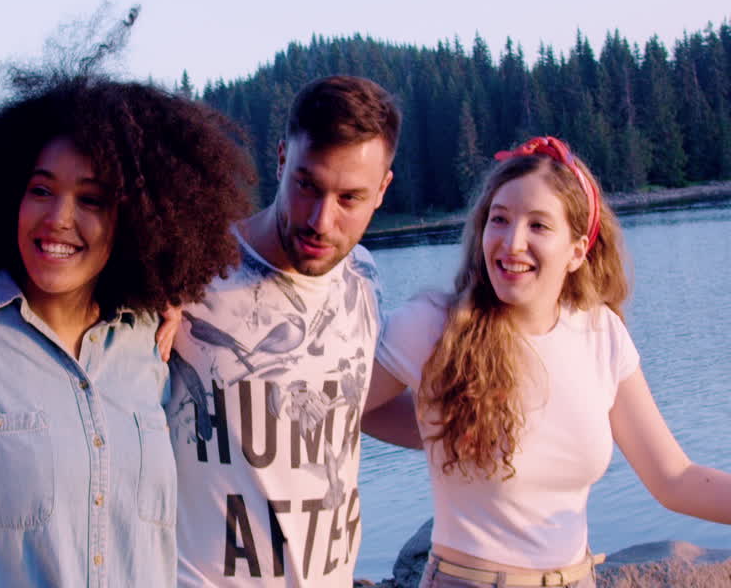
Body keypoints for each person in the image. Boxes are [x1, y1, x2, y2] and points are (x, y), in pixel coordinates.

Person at [366, 136, 731, 588]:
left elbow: (674, 479)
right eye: (499, 220)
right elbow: (346, 410)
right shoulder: (432, 325)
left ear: (578, 250)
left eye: (539, 226)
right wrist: (447, 425)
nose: (512, 242)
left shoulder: (601, 334)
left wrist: (457, 424)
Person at [0, 72, 258, 586]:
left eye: (91, 200)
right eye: (41, 189)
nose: (59, 218)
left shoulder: (154, 340)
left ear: (135, 221)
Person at [165, 75, 406, 586]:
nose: (322, 220)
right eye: (307, 186)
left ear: (383, 189)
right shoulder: (190, 275)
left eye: (350, 198)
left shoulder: (363, 276)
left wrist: (465, 431)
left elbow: (355, 409)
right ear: (281, 159)